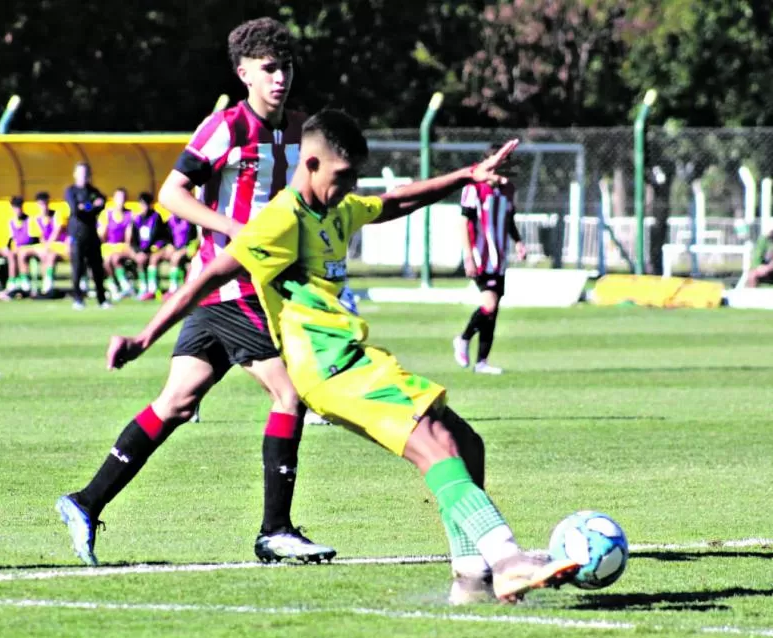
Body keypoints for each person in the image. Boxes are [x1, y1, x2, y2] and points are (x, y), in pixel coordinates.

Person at [104, 110, 580, 604]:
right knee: (435, 445)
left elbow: (394, 200)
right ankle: (506, 561)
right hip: (326, 366)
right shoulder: (280, 219)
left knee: (466, 442)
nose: (350, 187)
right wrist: (144, 338)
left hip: (354, 356)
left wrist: (465, 175)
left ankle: (471, 578)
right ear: (310, 164)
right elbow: (210, 275)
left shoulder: (334, 209)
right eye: (343, 176)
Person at [56, 17, 333, 568]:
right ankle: (274, 531)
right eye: (269, 69)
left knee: (176, 404)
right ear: (243, 73)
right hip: (233, 287)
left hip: (241, 290)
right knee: (290, 396)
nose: (280, 78)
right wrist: (234, 230)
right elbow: (172, 193)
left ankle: (85, 502)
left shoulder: (301, 131)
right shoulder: (226, 127)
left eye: (287, 67)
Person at [452, 146, 526, 375]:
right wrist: (468, 256)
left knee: (493, 312)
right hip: (480, 256)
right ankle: (463, 339)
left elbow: (509, 219)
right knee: (489, 305)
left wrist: (518, 241)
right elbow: (465, 223)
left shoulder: (507, 190)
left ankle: (482, 362)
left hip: (499, 258)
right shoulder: (474, 188)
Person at [65, 162, 110, 310]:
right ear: (75, 174)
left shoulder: (93, 191)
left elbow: (101, 204)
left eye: (86, 174)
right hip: (77, 234)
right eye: (80, 173)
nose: (83, 177)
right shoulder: (71, 191)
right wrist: (91, 206)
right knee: (77, 268)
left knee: (97, 268)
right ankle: (78, 299)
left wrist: (86, 206)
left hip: (92, 234)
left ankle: (102, 299)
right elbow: (75, 210)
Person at [0, 196, 31, 295]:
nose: (17, 210)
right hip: (11, 248)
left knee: (11, 255)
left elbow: (29, 238)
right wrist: (5, 247)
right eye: (15, 207)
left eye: (19, 207)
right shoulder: (11, 222)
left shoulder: (28, 220)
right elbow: (10, 238)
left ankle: (12, 282)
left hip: (23, 248)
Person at [130, 192, 170, 300]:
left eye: (147, 204)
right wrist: (138, 251)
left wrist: (146, 250)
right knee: (139, 260)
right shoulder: (137, 219)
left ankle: (153, 289)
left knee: (153, 259)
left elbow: (157, 236)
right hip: (142, 250)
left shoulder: (156, 217)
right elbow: (133, 240)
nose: (145, 207)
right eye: (142, 204)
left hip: (155, 247)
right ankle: (144, 288)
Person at [100, 188, 136, 299]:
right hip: (109, 246)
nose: (121, 200)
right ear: (114, 199)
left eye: (123, 198)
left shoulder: (130, 215)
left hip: (123, 246)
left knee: (115, 258)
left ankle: (124, 285)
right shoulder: (107, 214)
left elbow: (128, 238)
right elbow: (102, 235)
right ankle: (113, 286)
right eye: (119, 197)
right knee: (106, 261)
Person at [164, 213, 197, 295]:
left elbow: (193, 238)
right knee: (157, 257)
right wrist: (169, 245)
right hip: (175, 248)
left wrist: (184, 249)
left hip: (189, 248)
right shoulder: (170, 220)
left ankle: (173, 288)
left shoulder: (189, 220)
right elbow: (167, 237)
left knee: (176, 258)